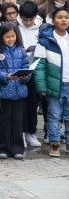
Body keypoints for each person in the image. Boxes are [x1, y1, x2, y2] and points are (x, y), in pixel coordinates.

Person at [0, 22, 30, 160]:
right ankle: (1, 148)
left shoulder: (21, 51)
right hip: (2, 92)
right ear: (1, 36)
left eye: (13, 36)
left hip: (19, 93)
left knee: (17, 122)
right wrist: (5, 76)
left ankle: (17, 148)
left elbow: (27, 68)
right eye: (7, 37)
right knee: (3, 122)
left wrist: (25, 76)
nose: (11, 39)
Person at [34, 9, 69, 157]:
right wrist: (41, 86)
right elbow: (39, 65)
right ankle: (54, 144)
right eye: (60, 17)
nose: (63, 20)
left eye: (66, 17)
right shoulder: (45, 40)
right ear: (53, 21)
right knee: (54, 115)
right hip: (55, 84)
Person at [16, 1, 46, 147]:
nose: (28, 23)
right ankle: (20, 132)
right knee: (20, 103)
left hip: (36, 69)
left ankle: (31, 132)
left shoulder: (42, 27)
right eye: (25, 19)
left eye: (31, 19)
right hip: (19, 68)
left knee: (33, 102)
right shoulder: (15, 26)